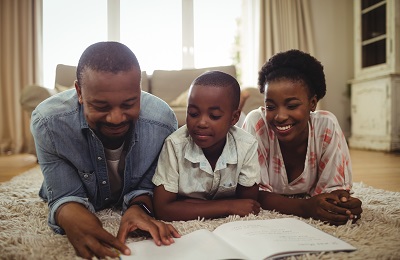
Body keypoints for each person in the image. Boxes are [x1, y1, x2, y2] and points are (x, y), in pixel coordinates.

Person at [30, 41, 180, 259]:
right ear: (79, 92)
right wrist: (71, 214)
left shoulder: (163, 122)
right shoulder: (49, 123)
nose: (116, 118)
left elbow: (149, 185)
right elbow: (64, 194)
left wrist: (140, 208)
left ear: (139, 90)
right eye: (101, 106)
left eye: (129, 104)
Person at [242, 49, 363, 226]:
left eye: (291, 106)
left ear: (312, 103)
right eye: (270, 106)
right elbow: (251, 193)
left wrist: (343, 204)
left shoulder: (326, 126)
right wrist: (304, 207)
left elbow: (335, 188)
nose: (280, 116)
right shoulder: (257, 124)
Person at [152, 71, 261, 221]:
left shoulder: (246, 145)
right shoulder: (175, 145)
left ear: (234, 118)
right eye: (193, 113)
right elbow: (163, 209)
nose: (201, 123)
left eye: (214, 116)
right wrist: (228, 206)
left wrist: (186, 204)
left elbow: (248, 204)